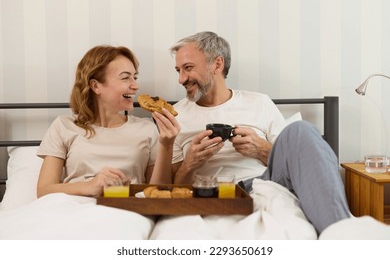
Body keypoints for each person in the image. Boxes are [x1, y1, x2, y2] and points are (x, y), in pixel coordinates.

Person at [168, 31, 350, 234]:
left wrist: (261, 149)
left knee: (302, 130)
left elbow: (289, 161)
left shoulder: (259, 102)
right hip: (209, 193)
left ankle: (340, 234)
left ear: (217, 64)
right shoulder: (175, 116)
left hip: (262, 184)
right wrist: (190, 164)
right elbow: (170, 188)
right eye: (178, 70)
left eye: (188, 68)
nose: (181, 79)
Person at [36, 45, 180, 198]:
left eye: (135, 77)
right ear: (96, 86)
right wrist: (91, 185)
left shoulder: (147, 129)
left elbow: (157, 194)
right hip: (76, 210)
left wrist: (167, 145)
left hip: (126, 210)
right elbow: (44, 190)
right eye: (125, 77)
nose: (135, 86)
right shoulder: (64, 126)